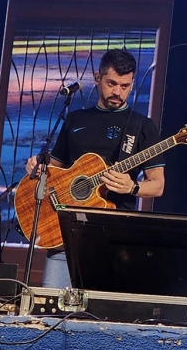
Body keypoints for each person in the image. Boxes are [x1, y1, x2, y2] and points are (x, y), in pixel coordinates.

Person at [24, 48, 165, 286]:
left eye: (125, 86)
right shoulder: (75, 119)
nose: (118, 92)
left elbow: (158, 185)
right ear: (97, 78)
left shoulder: (142, 127)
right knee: (51, 303)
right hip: (66, 232)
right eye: (112, 84)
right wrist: (38, 167)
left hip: (114, 234)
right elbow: (55, 169)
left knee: (103, 306)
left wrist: (132, 187)